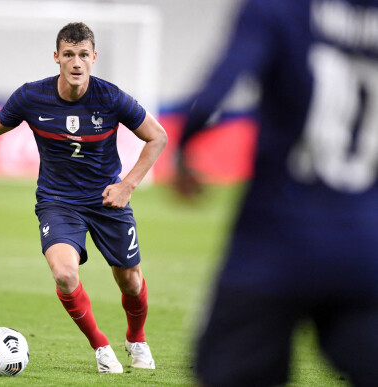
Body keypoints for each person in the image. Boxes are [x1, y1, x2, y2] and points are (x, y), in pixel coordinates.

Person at [0, 22, 167, 374]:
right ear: (57, 58)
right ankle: (101, 347)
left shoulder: (110, 97)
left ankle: (137, 339)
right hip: (58, 202)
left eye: (83, 55)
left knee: (131, 280)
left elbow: (157, 137)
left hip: (107, 199)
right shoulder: (32, 97)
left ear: (94, 58)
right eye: (69, 55)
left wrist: (128, 184)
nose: (76, 62)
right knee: (65, 274)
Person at [175, 0, 378, 386]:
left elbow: (221, 82)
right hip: (364, 248)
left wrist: (185, 142)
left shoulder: (278, 7)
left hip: (273, 244)